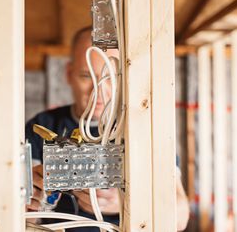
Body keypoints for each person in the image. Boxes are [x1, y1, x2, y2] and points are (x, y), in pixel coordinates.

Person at [25, 27, 190, 231]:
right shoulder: (41, 126)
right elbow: (19, 219)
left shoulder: (147, 132)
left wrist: (124, 203)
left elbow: (180, 217)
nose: (98, 91)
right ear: (68, 74)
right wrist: (29, 202)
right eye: (86, 76)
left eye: (109, 77)